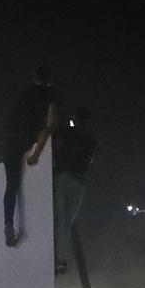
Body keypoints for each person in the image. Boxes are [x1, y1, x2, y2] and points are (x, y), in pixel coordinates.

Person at [0, 65, 57, 247]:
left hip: (9, 140)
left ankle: (8, 223)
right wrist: (37, 152)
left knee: (11, 184)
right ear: (49, 80)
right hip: (28, 136)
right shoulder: (50, 95)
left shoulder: (22, 94)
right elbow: (50, 125)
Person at [49, 106, 96, 274]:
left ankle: (59, 258)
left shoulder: (69, 133)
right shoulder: (91, 140)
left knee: (59, 219)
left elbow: (54, 130)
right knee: (67, 222)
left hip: (62, 177)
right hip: (79, 183)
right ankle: (60, 256)